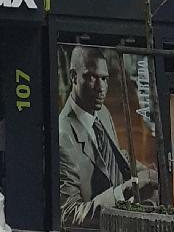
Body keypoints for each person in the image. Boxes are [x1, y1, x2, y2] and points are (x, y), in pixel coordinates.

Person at [58, 45, 156, 226]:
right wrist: (125, 191)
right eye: (91, 77)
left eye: (104, 79)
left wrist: (144, 172)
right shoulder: (63, 137)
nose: (101, 88)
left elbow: (113, 156)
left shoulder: (102, 112)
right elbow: (69, 214)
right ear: (73, 77)